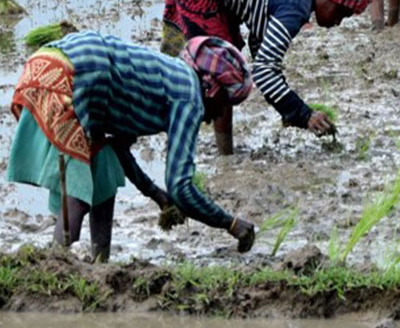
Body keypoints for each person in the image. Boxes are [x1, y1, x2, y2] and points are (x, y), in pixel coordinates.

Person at [7, 31, 256, 261]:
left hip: (49, 63)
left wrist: (156, 195)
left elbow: (118, 149)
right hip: (68, 77)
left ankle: (100, 265)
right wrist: (231, 224)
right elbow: (181, 186)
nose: (221, 114)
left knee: (103, 170)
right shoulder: (189, 96)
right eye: (225, 103)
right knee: (79, 192)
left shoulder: (167, 77)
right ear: (213, 89)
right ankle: (56, 266)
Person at [161, 0, 371, 154]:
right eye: (341, 12)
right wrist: (303, 114)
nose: (339, 21)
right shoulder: (294, 7)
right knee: (220, 70)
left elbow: (260, 44)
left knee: (226, 59)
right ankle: (223, 154)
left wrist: (285, 108)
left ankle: (190, 133)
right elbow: (263, 70)